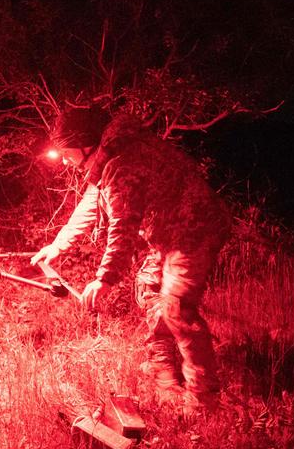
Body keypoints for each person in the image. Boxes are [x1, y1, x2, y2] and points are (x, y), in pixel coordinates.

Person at [32, 108, 231, 410]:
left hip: (195, 230)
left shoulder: (123, 163)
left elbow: (122, 225)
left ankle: (203, 400)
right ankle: (164, 371)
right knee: (149, 290)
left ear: (87, 143)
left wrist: (104, 280)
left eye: (66, 150)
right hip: (169, 234)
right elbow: (92, 201)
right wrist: (59, 245)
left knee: (177, 306)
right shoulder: (111, 159)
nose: (64, 159)